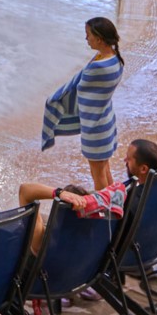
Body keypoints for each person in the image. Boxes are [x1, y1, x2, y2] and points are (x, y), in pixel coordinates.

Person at [17, 138, 157, 249]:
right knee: (42, 218)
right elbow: (108, 192)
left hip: (51, 276)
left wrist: (59, 193)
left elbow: (25, 191)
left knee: (25, 226)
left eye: (129, 158)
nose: (125, 160)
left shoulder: (47, 245)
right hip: (91, 264)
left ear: (143, 169)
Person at [40, 17, 126, 191]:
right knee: (104, 168)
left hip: (95, 129)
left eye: (88, 35)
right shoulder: (114, 58)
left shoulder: (98, 66)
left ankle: (105, 213)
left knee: (97, 174)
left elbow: (77, 87)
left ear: (99, 39)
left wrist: (53, 100)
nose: (86, 39)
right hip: (107, 121)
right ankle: (115, 207)